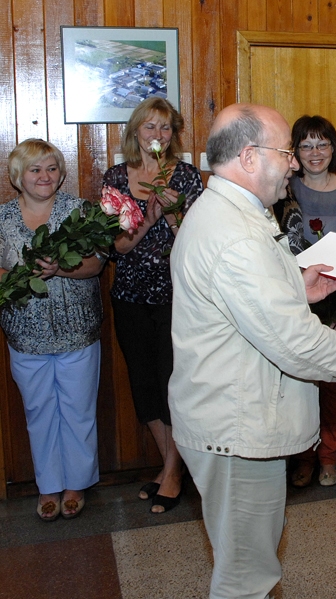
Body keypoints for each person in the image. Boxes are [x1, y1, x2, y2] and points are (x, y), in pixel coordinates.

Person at [167, 102, 336, 599]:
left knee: (250, 563)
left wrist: (296, 287)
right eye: (286, 153)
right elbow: (293, 342)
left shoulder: (232, 214)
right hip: (236, 425)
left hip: (235, 416)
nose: (294, 164)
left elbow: (246, 305)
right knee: (247, 579)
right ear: (249, 157)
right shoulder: (235, 234)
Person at [103, 97, 203, 514]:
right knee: (143, 384)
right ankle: (170, 466)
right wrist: (149, 216)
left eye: (165, 128)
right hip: (129, 296)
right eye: (150, 127)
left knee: (171, 385)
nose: (158, 135)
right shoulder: (116, 178)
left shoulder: (187, 176)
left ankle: (174, 474)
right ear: (135, 132)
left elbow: (197, 244)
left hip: (177, 297)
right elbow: (118, 247)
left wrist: (173, 213)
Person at [0, 139, 105, 521]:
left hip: (78, 331)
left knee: (79, 411)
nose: (44, 176)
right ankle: (48, 487)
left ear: (61, 175)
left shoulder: (80, 211)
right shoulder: (2, 219)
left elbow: (96, 264)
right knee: (38, 411)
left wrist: (59, 268)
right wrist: (20, 273)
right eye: (35, 169)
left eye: (52, 168)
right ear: (18, 176)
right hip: (25, 336)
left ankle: (76, 485)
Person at [282, 115, 336, 487]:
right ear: (295, 152)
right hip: (292, 301)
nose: (315, 153)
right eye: (306, 145)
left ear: (333, 148)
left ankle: (329, 457)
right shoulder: (285, 190)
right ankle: (303, 457)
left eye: (322, 144)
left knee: (333, 384)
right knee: (299, 382)